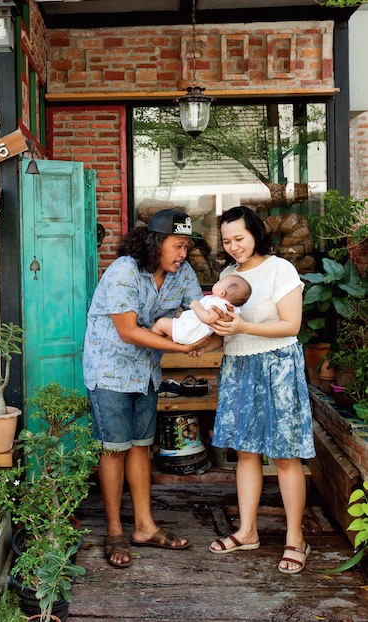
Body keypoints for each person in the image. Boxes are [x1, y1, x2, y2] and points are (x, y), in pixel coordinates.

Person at [83, 208, 214, 569]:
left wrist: (212, 324)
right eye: (177, 246)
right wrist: (180, 347)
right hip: (109, 371)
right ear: (156, 243)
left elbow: (198, 310)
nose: (183, 254)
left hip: (146, 374)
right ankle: (114, 531)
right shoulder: (124, 271)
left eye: (186, 246)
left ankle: (144, 526)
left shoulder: (182, 273)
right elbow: (127, 331)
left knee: (141, 447)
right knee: (114, 449)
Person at [203, 205, 315, 574]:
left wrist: (242, 328)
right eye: (227, 241)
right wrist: (204, 342)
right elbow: (228, 331)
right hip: (239, 367)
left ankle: (296, 539)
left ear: (255, 234)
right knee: (245, 452)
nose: (233, 246)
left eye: (239, 238)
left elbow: (291, 325)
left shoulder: (280, 269)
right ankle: (247, 531)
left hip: (278, 366)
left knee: (284, 455)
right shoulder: (227, 276)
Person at [151, 274, 251, 344]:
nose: (216, 282)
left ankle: (151, 337)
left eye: (219, 282)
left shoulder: (218, 304)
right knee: (166, 324)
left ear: (222, 293)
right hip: (191, 332)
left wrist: (196, 306)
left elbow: (208, 318)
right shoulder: (225, 305)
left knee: (161, 323)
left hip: (188, 331)